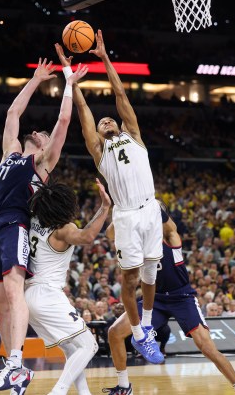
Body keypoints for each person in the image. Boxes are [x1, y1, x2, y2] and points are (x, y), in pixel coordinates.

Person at [58, 30, 164, 364]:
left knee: (151, 274)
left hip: (152, 209)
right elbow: (83, 108)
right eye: (102, 122)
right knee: (129, 278)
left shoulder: (133, 135)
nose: (106, 119)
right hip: (128, 216)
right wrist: (71, 79)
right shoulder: (99, 149)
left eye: (110, 118)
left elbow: (120, 94)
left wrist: (104, 58)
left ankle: (147, 328)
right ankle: (137, 335)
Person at [0, 57, 88, 394]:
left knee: (14, 292)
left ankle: (16, 364)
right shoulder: (10, 152)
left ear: (44, 146)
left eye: (43, 134)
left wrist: (69, 85)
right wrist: (35, 79)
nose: (40, 132)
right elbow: (13, 114)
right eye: (40, 132)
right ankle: (13, 369)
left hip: (15, 224)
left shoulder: (42, 164)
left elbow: (62, 120)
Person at [106, 204, 235, 395]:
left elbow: (168, 223)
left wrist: (147, 201)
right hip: (155, 299)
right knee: (114, 332)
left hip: (182, 297)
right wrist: (122, 210)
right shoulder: (138, 240)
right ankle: (124, 387)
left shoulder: (170, 236)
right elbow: (110, 234)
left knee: (207, 348)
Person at [25, 179, 111, 395]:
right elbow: (88, 236)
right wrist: (104, 208)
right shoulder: (63, 229)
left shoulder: (33, 219)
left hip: (28, 295)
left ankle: (84, 393)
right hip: (46, 293)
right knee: (89, 345)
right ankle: (59, 391)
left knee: (72, 349)